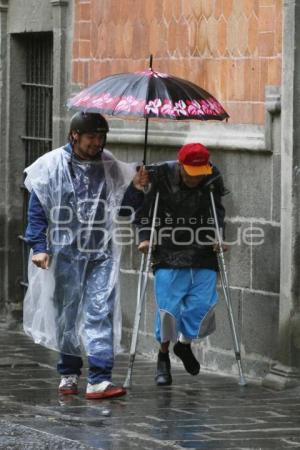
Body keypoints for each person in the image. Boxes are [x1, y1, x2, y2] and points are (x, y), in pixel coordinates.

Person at [24, 111, 148, 399]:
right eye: (92, 137)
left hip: (100, 252)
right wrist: (39, 247)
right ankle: (68, 372)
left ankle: (99, 378)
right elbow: (37, 209)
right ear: (75, 135)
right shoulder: (51, 165)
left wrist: (138, 189)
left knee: (100, 309)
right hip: (64, 253)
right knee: (67, 314)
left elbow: (126, 208)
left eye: (101, 137)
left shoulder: (110, 165)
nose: (97, 142)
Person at [136, 142, 227, 386]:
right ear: (181, 165)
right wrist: (145, 237)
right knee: (169, 310)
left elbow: (217, 210)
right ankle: (163, 355)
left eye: (200, 175)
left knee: (203, 306)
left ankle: (184, 346)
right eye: (191, 174)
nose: (195, 179)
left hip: (202, 248)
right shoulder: (161, 175)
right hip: (169, 248)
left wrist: (219, 235)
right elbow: (144, 211)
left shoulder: (211, 176)